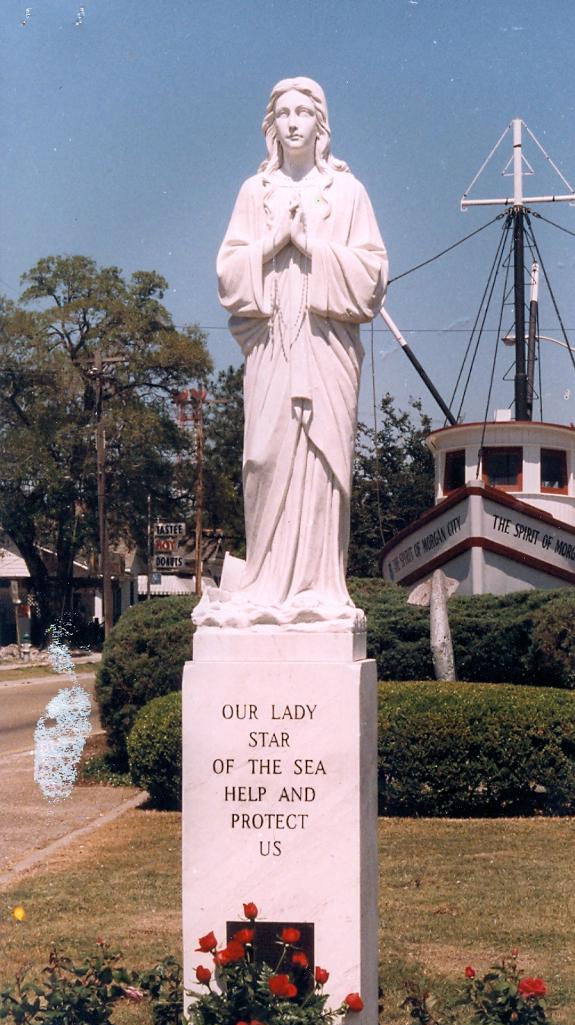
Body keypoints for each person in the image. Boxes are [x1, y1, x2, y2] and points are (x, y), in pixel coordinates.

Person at [193, 77, 387, 629]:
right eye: (285, 112)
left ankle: (318, 588)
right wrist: (274, 243)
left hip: (327, 351)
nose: (295, 121)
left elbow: (372, 279)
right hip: (272, 349)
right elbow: (229, 277)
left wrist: (310, 248)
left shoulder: (347, 193)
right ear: (271, 123)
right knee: (262, 457)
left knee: (322, 463)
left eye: (305, 112)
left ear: (320, 124)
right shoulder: (255, 194)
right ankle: (266, 584)